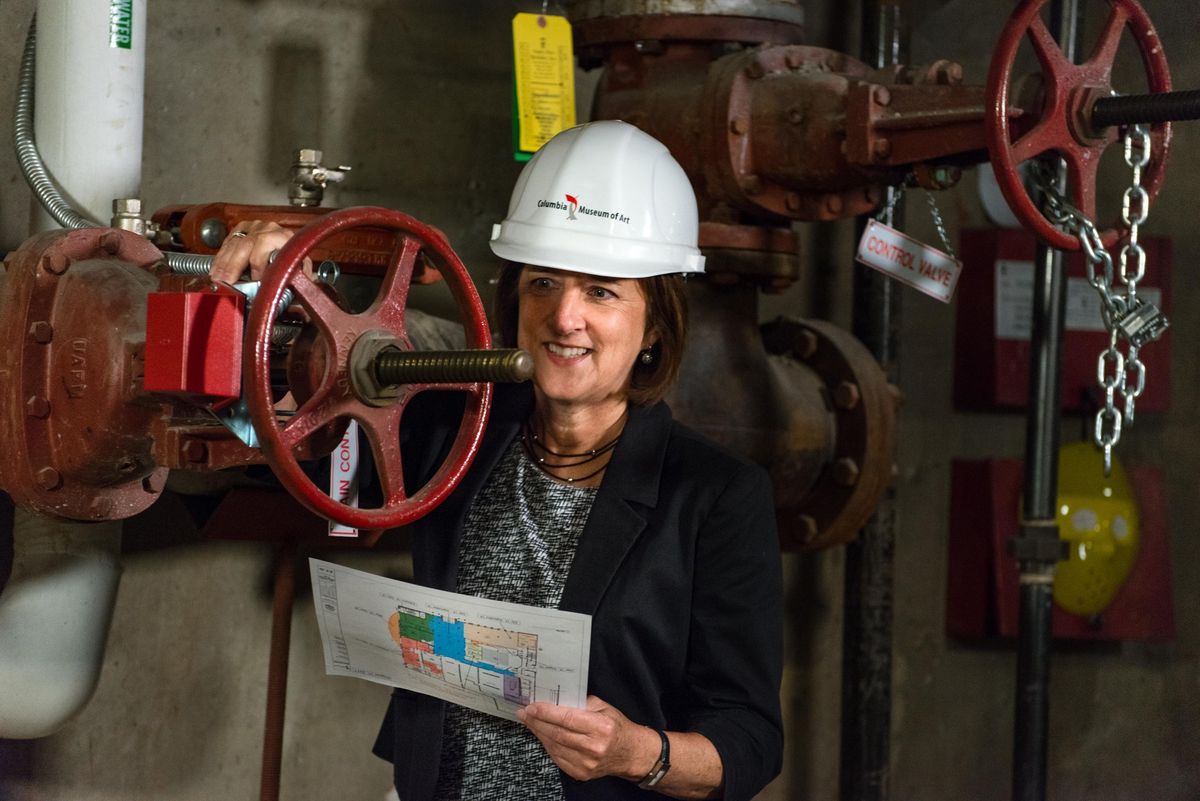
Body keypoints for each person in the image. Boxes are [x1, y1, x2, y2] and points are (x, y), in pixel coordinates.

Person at [211, 120, 783, 801]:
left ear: (655, 324)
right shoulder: (459, 428)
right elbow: (312, 410)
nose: (564, 315)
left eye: (601, 290)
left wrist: (636, 751)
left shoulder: (715, 495)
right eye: (544, 282)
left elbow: (750, 740)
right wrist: (287, 287)